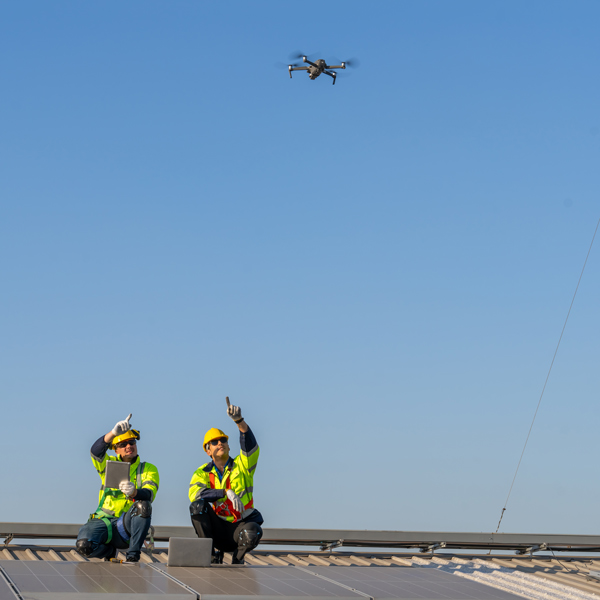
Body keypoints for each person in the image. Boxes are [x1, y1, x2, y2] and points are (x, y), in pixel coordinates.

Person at [75, 414, 160, 563]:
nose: (129, 446)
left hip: (125, 526)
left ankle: (133, 556)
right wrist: (113, 433)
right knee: (84, 546)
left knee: (144, 505)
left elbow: (149, 494)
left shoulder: (148, 468)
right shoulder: (108, 464)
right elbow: (95, 451)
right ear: (115, 450)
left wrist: (134, 492)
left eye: (131, 442)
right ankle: (109, 551)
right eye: (123, 444)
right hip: (103, 520)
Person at [189, 398, 263, 564]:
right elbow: (195, 495)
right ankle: (210, 554)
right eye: (214, 442)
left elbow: (250, 446)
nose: (220, 443)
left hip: (239, 528)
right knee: (196, 507)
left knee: (253, 531)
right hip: (217, 530)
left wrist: (239, 421)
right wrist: (225, 492)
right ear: (208, 451)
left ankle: (237, 560)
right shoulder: (202, 473)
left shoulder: (243, 465)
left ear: (229, 446)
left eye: (223, 440)